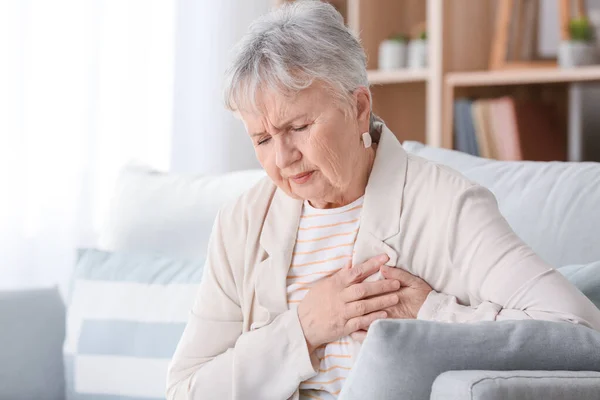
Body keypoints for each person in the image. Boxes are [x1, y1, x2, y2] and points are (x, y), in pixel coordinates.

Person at [166, 2, 600, 399]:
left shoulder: (444, 204)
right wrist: (303, 329)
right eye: (261, 139)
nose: (283, 157)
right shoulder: (241, 224)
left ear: (358, 106)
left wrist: (431, 311)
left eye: (299, 126)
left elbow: (579, 331)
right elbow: (185, 389)